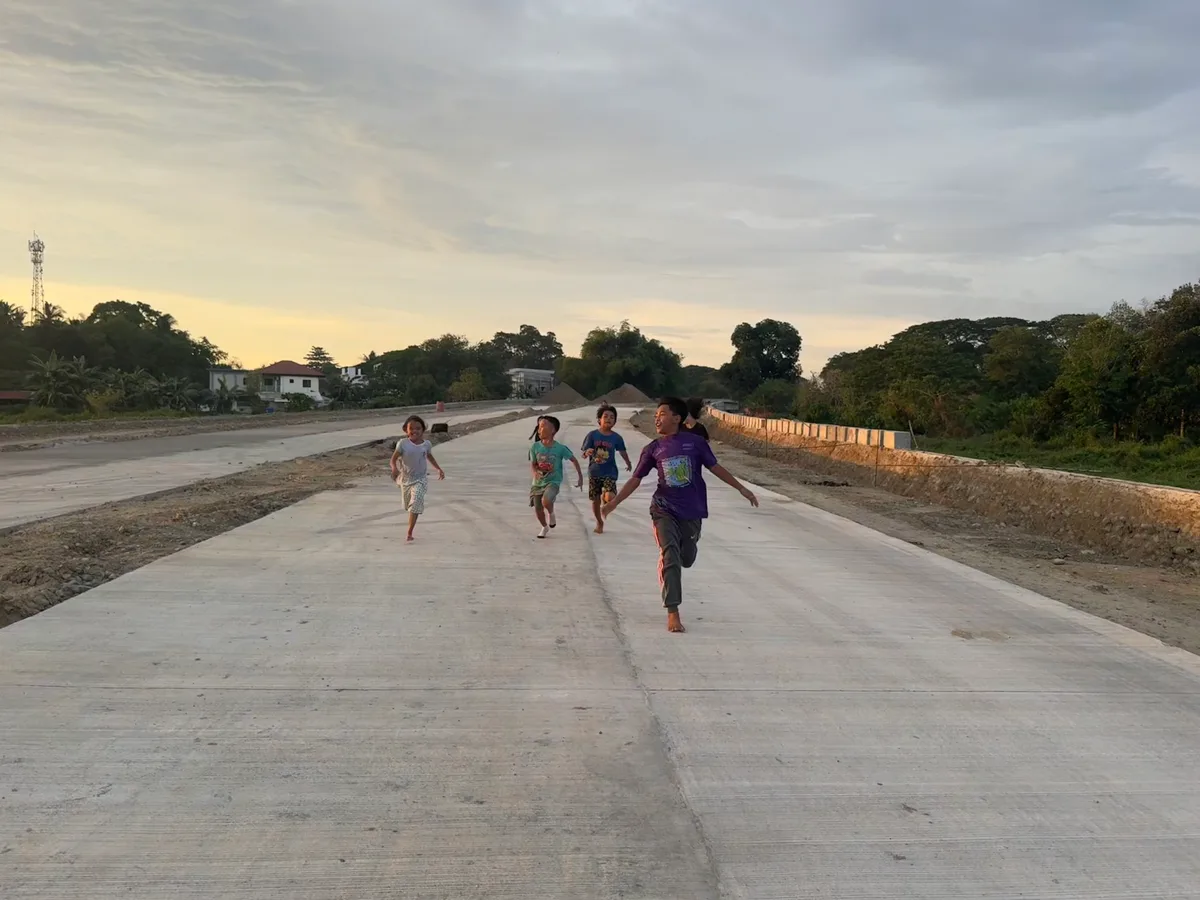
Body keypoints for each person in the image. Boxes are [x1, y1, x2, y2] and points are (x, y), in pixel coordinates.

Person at [602, 396, 758, 633]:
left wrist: (741, 488)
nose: (657, 418)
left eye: (662, 414)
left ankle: (685, 550)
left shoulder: (695, 443)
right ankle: (673, 611)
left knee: (687, 558)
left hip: (692, 511)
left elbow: (715, 467)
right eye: (656, 415)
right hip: (663, 509)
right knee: (670, 555)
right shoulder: (653, 449)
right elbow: (636, 479)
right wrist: (614, 502)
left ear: (677, 418)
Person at [389, 415, 445, 542]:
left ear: (423, 430)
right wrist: (394, 468)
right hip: (406, 478)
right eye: (411, 428)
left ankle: (409, 532)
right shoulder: (402, 444)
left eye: (418, 428)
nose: (415, 431)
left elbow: (429, 457)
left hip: (420, 479)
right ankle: (410, 525)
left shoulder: (427, 444)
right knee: (407, 505)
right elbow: (393, 459)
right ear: (406, 430)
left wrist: (438, 468)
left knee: (416, 502)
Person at [529, 415, 583, 539]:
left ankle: (551, 513)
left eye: (543, 426)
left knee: (546, 500)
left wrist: (580, 477)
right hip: (537, 483)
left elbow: (574, 460)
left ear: (553, 430)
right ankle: (544, 526)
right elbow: (533, 464)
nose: (540, 429)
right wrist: (535, 472)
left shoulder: (560, 448)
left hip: (553, 481)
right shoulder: (535, 447)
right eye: (539, 427)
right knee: (538, 509)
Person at [581, 404, 632, 534]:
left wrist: (628, 462)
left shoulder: (616, 438)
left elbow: (622, 451)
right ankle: (599, 522)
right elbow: (584, 453)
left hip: (610, 472)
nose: (609, 419)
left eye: (612, 417)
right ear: (599, 419)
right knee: (595, 500)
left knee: (610, 497)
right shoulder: (592, 435)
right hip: (594, 472)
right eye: (605, 416)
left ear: (615, 421)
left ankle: (606, 498)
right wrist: (587, 453)